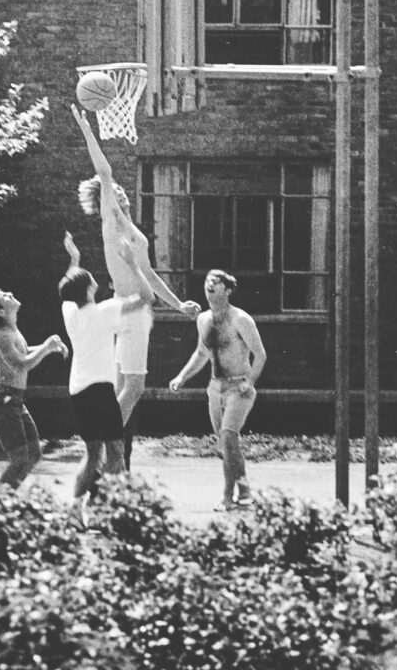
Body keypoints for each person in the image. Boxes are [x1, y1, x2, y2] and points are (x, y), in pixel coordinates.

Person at [71, 105, 200, 468]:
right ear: (105, 202)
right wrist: (87, 129)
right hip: (129, 307)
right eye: (112, 193)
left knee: (120, 388)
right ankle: (106, 451)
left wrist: (177, 305)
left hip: (134, 306)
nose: (120, 194)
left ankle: (109, 451)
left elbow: (150, 274)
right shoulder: (112, 223)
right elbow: (105, 170)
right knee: (135, 386)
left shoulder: (132, 230)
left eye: (120, 192)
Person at [59, 231, 154, 523]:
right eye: (89, 278)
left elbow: (69, 285)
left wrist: (74, 260)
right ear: (89, 289)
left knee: (91, 454)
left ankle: (75, 510)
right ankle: (111, 510)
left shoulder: (69, 312)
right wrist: (132, 262)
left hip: (78, 390)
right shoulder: (107, 310)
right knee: (115, 452)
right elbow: (148, 297)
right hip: (101, 390)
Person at [169, 270, 266, 511]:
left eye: (217, 282)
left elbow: (260, 355)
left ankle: (227, 498)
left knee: (228, 437)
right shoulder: (203, 319)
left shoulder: (240, 319)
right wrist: (182, 376)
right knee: (226, 445)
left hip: (239, 387)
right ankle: (245, 492)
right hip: (215, 387)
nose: (210, 285)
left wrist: (250, 381)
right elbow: (202, 353)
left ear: (229, 289)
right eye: (207, 281)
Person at [0, 286, 68, 488]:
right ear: (0, 312)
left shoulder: (12, 331)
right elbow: (21, 364)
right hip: (3, 401)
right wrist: (46, 347)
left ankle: (5, 497)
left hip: (15, 401)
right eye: (4, 297)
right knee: (20, 460)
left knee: (34, 455)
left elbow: (24, 352)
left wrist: (48, 347)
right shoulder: (1, 336)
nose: (9, 294)